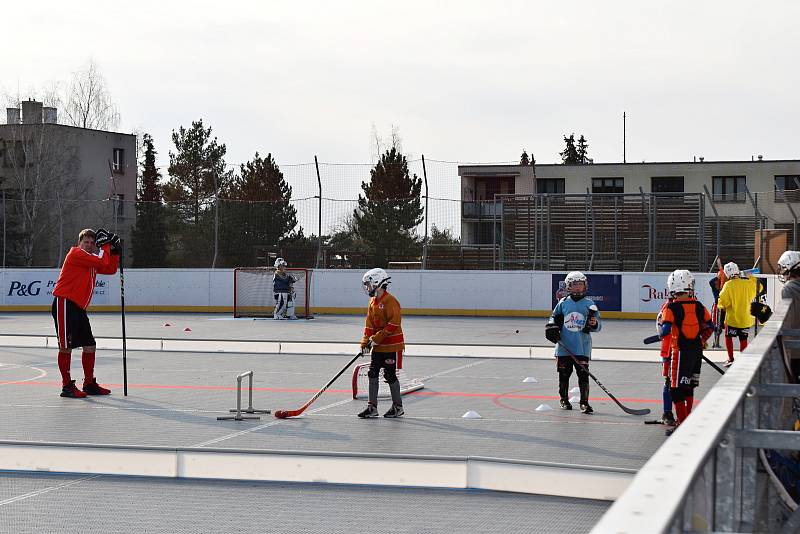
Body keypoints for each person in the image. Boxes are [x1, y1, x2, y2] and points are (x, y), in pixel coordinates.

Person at [52, 228, 120, 398]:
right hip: (65, 302)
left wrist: (114, 251)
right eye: (86, 242)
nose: (89, 245)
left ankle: (89, 383)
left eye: (92, 243)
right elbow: (103, 262)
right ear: (79, 243)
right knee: (66, 347)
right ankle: (66, 386)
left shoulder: (91, 262)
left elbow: (110, 268)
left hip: (78, 308)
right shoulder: (76, 254)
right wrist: (105, 247)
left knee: (89, 345)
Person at [658, 270, 714, 436]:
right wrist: (700, 341)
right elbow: (710, 327)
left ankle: (681, 423)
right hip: (695, 352)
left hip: (679, 352)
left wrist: (661, 333)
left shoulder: (671, 307)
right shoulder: (699, 306)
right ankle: (688, 419)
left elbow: (666, 329)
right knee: (689, 387)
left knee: (676, 388)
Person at [545, 271, 601, 414]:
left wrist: (593, 323)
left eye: (580, 284)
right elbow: (553, 318)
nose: (577, 287)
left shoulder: (590, 304)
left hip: (582, 347)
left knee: (583, 375)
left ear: (585, 286)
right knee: (564, 374)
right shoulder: (563, 303)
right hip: (564, 348)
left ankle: (584, 402)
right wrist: (551, 327)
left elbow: (598, 325)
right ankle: (564, 399)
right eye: (574, 284)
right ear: (568, 287)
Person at [357, 268, 406, 418]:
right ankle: (372, 408)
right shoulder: (372, 302)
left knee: (390, 375)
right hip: (377, 347)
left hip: (391, 346)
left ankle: (398, 407)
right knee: (372, 373)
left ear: (378, 283)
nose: (367, 288)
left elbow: (393, 324)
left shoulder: (390, 301)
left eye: (369, 284)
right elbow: (369, 326)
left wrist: (376, 338)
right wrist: (365, 343)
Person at [717, 262, 758, 367]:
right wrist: (751, 277)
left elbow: (722, 303)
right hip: (745, 319)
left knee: (728, 337)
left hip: (732, 319)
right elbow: (757, 288)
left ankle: (730, 358)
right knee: (743, 339)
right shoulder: (748, 283)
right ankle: (743, 361)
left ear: (727, 274)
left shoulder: (728, 285)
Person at [656, 296, 677, 426]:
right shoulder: (667, 307)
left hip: (683, 349)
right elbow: (661, 327)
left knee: (684, 382)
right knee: (669, 381)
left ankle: (682, 413)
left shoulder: (694, 304)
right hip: (670, 350)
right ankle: (667, 412)